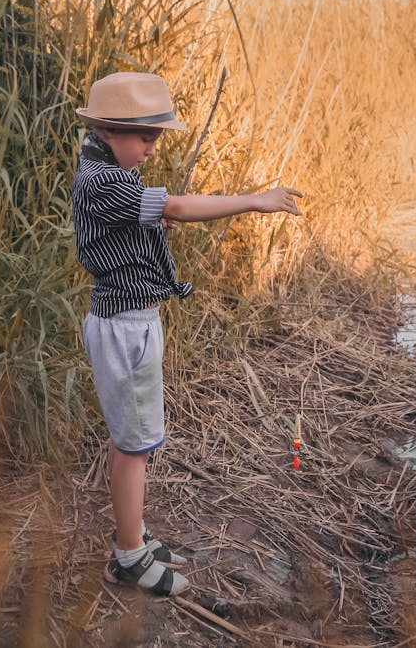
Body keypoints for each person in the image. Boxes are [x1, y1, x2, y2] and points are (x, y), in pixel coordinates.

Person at [72, 72, 302, 597]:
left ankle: (133, 533)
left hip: (129, 321)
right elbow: (174, 205)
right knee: (133, 445)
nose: (153, 149)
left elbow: (139, 217)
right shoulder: (105, 180)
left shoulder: (104, 169)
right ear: (110, 130)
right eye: (147, 138)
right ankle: (129, 557)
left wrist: (148, 225)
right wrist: (253, 200)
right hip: (126, 326)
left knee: (130, 441)